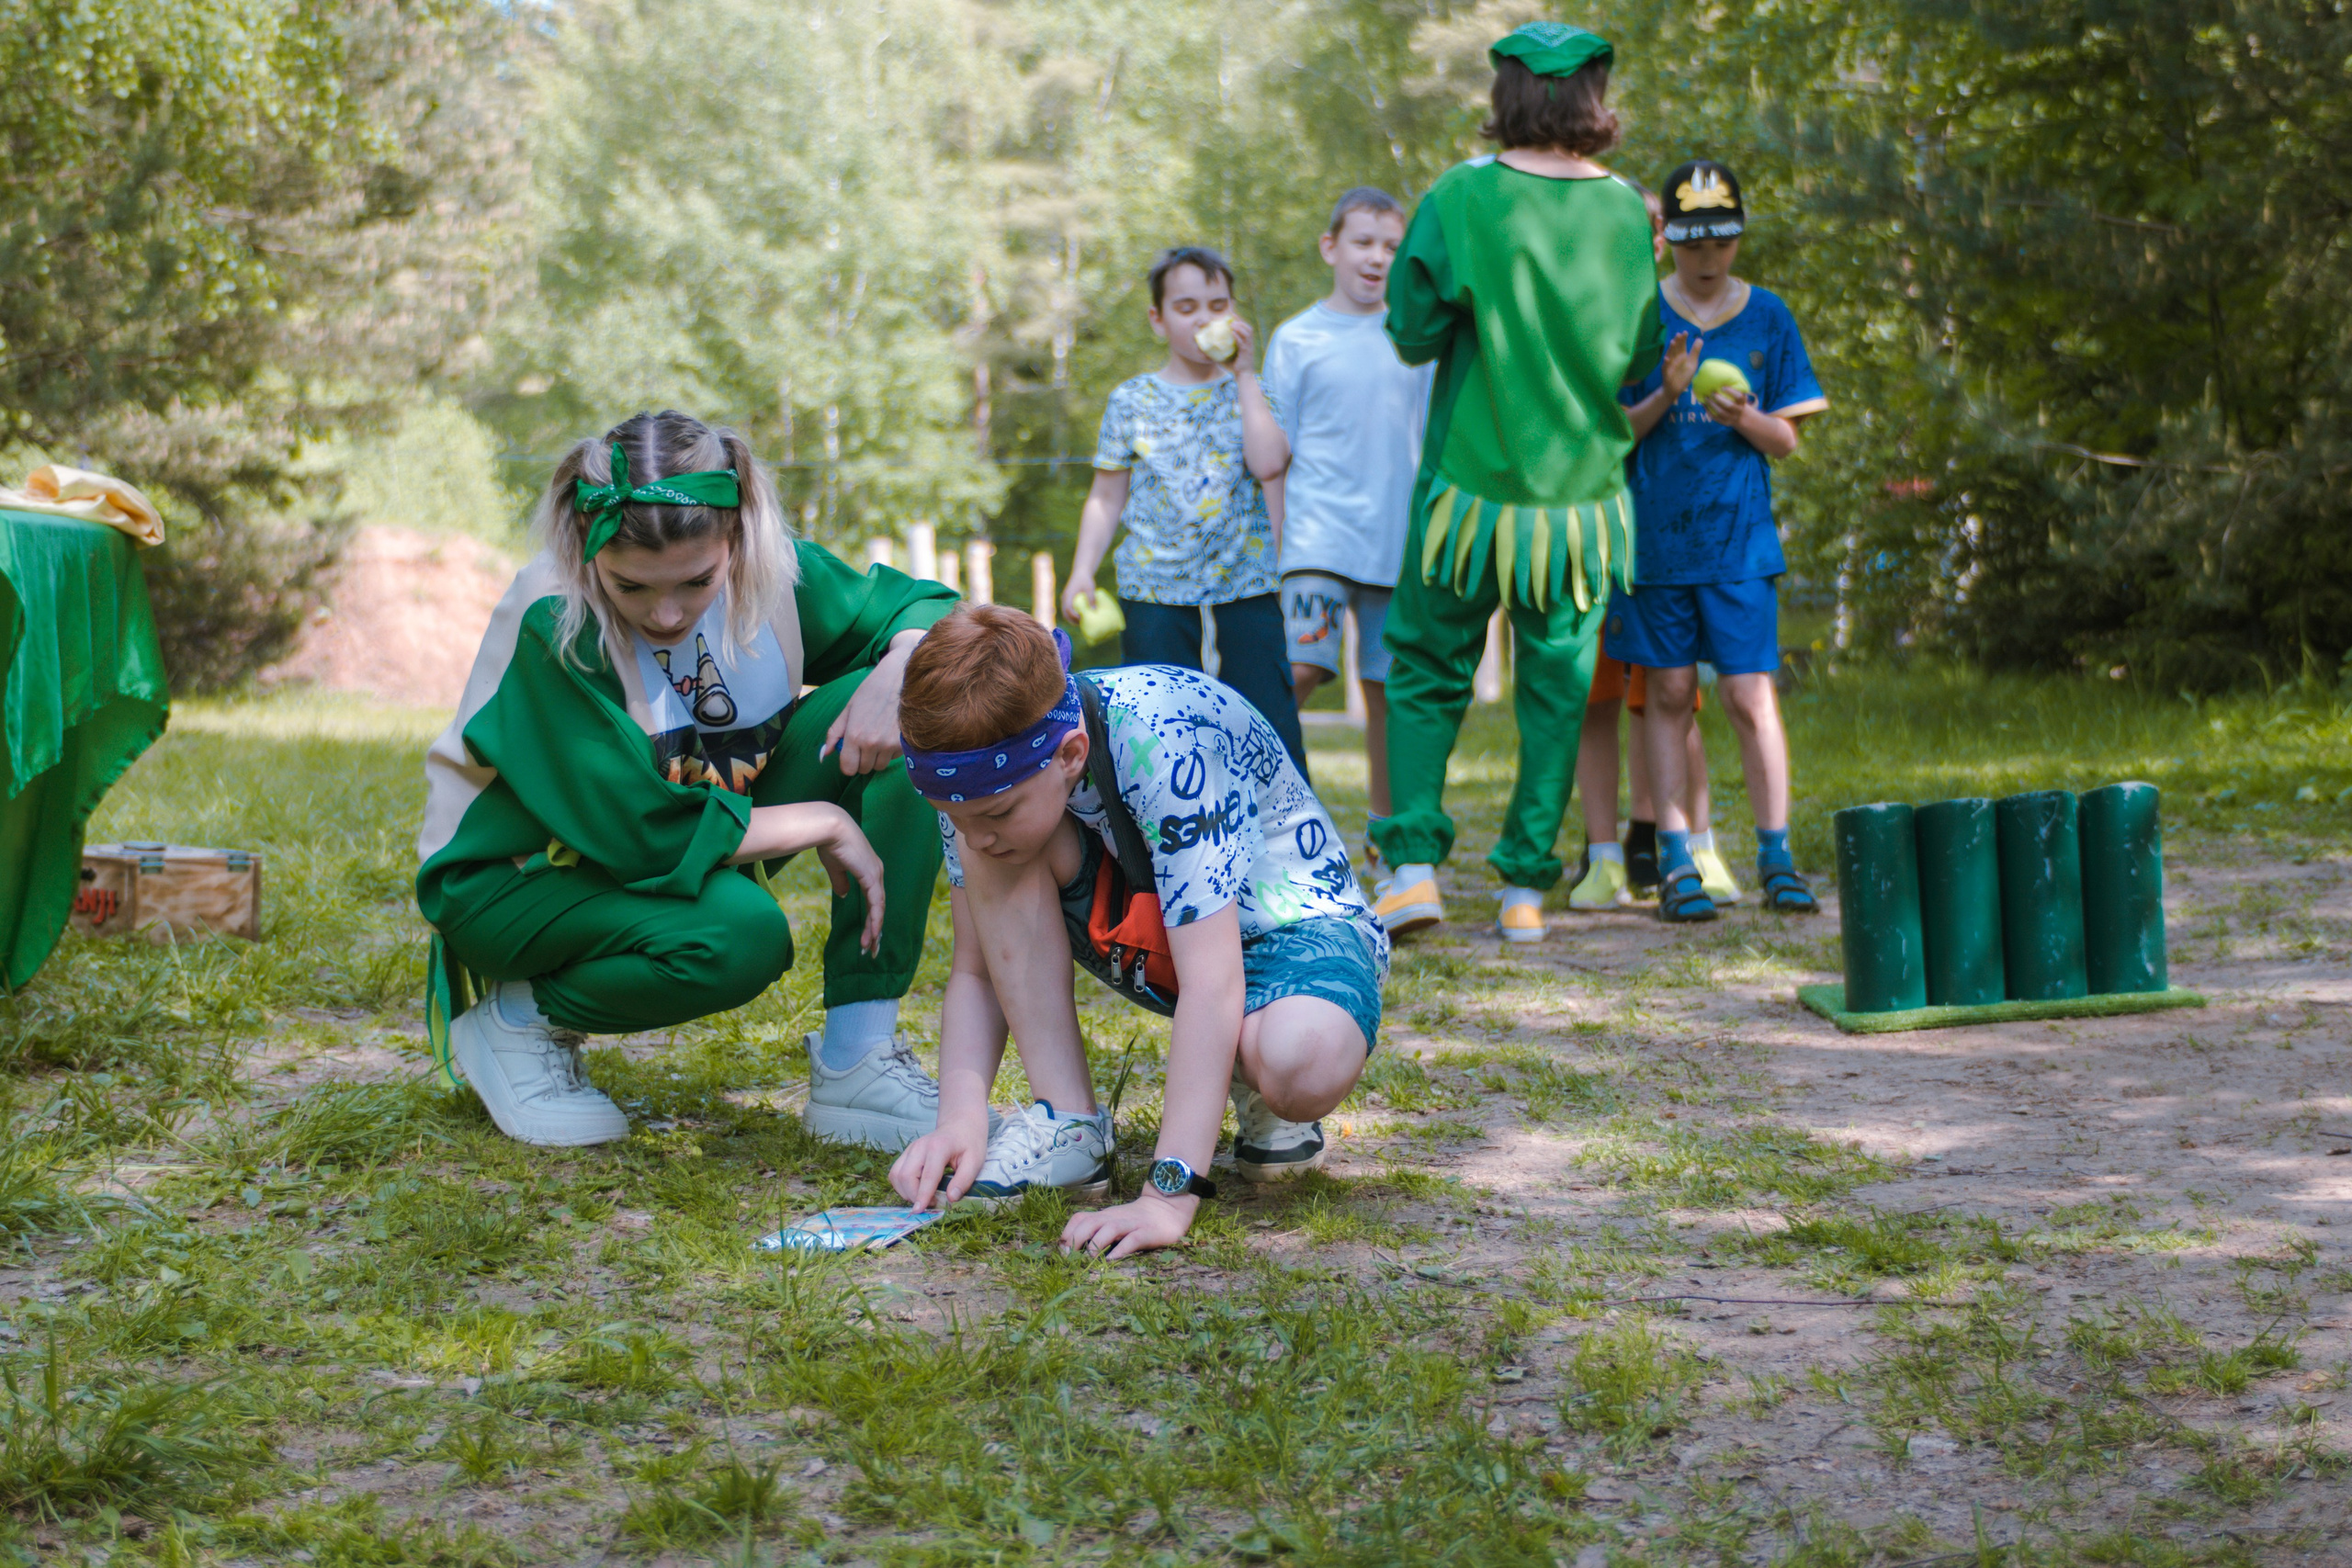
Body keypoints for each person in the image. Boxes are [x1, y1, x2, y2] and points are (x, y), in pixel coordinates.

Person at [418, 411, 963, 1148]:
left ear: (735, 539)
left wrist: (899, 671)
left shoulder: (772, 569)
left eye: (697, 580)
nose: (666, 612)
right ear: (586, 548)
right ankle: (519, 1017)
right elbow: (643, 832)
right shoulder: (557, 620)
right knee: (739, 935)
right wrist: (827, 820)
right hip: (518, 880)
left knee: (915, 707)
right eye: (631, 586)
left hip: (687, 819)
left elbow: (926, 608)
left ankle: (857, 1058)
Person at [886, 605, 1386, 1259]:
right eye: (952, 815)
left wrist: (1167, 1194)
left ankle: (1253, 1076)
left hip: (1300, 932)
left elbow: (1213, 984)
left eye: (996, 811)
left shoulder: (1165, 738)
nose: (971, 833)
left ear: (1070, 754)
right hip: (1178, 933)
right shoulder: (990, 785)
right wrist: (959, 1119)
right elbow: (976, 970)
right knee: (1001, 851)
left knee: (1301, 1061)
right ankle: (1069, 1124)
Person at [1369, 22, 1661, 946]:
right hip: (1579, 505)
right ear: (1593, 98)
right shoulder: (1623, 210)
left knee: (1422, 669)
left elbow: (1410, 334)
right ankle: (1524, 892)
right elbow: (1641, 354)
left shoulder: (1462, 195)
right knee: (1554, 691)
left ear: (1508, 97)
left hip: (1469, 493)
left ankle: (1411, 868)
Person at [1608, 160, 1827, 920]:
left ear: (1739, 235)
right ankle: (1676, 859)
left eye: (1722, 241)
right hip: (1657, 544)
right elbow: (1614, 433)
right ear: (1666, 237)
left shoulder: (1767, 315)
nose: (1707, 258)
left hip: (1739, 546)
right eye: (1693, 242)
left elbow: (1787, 441)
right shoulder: (1640, 319)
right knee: (1667, 693)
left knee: (1748, 695)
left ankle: (1777, 854)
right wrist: (1667, 395)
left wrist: (1745, 418)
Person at [1060, 247, 1305, 773]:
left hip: (1248, 582)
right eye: (1187, 306)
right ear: (1158, 318)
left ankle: (1289, 839)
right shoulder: (1132, 400)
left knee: (1268, 719)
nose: (1204, 318)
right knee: (1158, 726)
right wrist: (1081, 570)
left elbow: (1269, 465)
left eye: (1218, 305)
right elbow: (1106, 496)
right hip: (1154, 587)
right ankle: (1166, 837)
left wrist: (1243, 376)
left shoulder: (1255, 391)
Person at [1262, 188, 1434, 860]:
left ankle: (1387, 834)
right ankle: (1249, 808)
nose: (1378, 258)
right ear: (1330, 247)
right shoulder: (1297, 338)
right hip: (1316, 541)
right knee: (1298, 668)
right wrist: (1274, 546)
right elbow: (1275, 451)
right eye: (1364, 242)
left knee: (1388, 691)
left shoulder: (1414, 339)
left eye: (1392, 247)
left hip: (1396, 544)